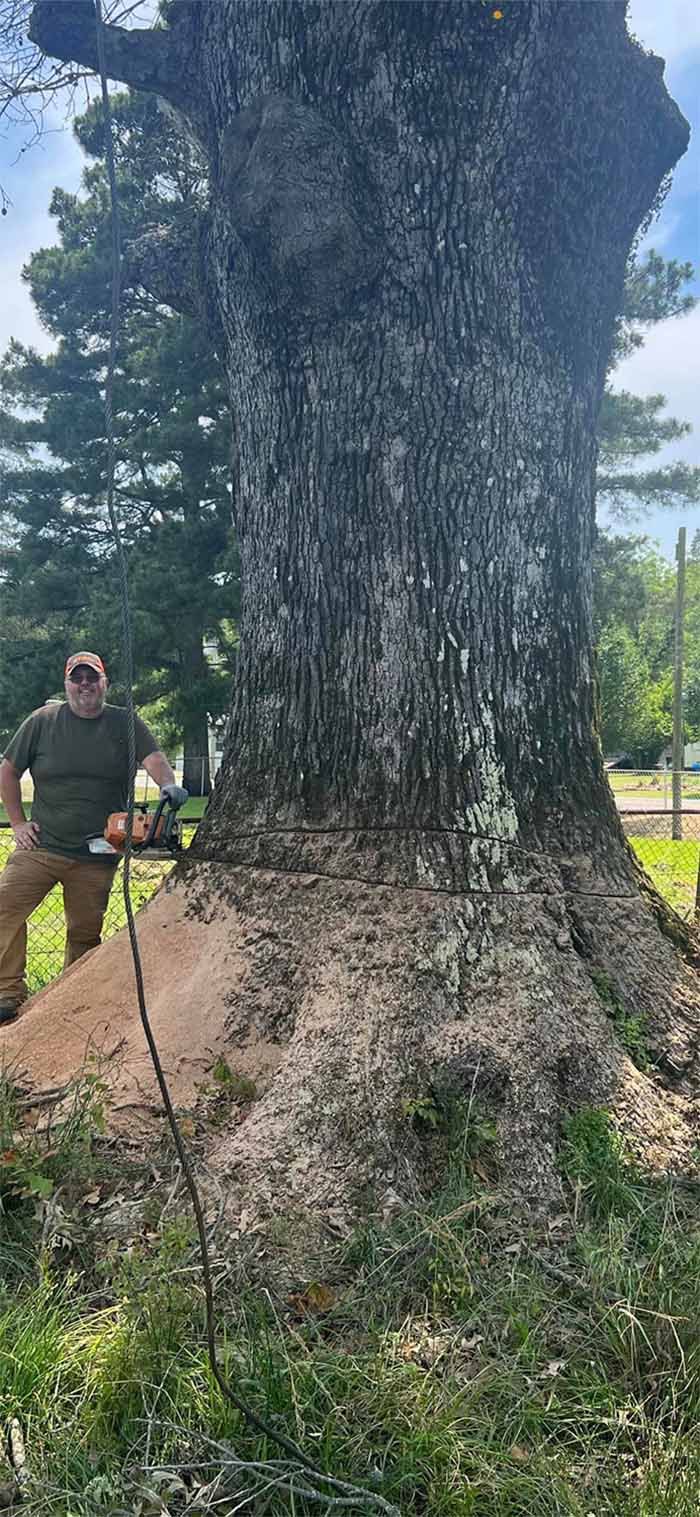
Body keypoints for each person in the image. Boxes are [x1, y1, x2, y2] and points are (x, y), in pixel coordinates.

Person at [0, 652, 187, 1025]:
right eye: (77, 678)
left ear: (105, 683)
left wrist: (169, 785)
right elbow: (7, 771)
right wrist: (18, 824)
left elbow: (153, 758)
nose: (85, 685)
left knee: (85, 933)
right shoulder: (43, 721)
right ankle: (7, 994)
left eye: (92, 678)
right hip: (41, 846)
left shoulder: (125, 722)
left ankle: (68, 1004)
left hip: (98, 851)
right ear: (66, 684)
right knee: (5, 909)